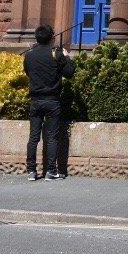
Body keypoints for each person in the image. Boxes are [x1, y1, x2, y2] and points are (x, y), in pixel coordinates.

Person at [22, 25, 74, 180]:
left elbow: (28, 72)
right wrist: (66, 56)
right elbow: (70, 72)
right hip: (52, 100)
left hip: (36, 100)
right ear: (52, 37)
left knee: (33, 137)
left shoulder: (29, 55)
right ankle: (50, 171)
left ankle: (31, 171)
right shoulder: (56, 53)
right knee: (51, 136)